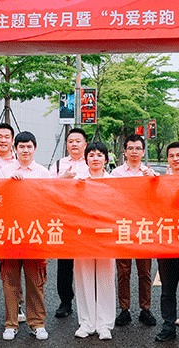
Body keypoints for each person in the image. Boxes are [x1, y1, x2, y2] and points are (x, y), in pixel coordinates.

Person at [0, 131, 50, 341]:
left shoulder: (43, 172)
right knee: (10, 282)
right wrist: (9, 183)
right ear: (15, 148)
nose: (25, 150)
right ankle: (11, 324)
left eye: (29, 146)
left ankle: (37, 323)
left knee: (35, 282)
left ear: (35, 148)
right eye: (21, 147)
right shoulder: (5, 171)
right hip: (10, 234)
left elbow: (50, 201)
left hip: (35, 234)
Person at [111, 134, 159, 327]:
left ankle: (145, 309)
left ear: (143, 151)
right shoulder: (116, 174)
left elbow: (158, 199)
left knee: (144, 271)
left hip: (143, 226)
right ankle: (124, 309)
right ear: (125, 151)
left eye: (138, 148)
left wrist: (153, 181)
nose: (134, 152)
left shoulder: (149, 173)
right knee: (123, 271)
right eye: (130, 148)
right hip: (123, 225)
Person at [71, 142, 116, 340]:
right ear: (86, 158)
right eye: (91, 155)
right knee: (84, 277)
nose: (95, 158)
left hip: (106, 234)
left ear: (106, 159)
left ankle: (104, 324)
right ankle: (86, 322)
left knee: (106, 278)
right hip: (83, 234)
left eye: (99, 155)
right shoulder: (77, 180)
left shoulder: (114, 181)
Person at [50, 128, 89, 319]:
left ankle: (88, 302)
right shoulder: (59, 165)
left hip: (87, 218)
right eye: (71, 141)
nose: (74, 144)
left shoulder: (92, 161)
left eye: (78, 141)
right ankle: (65, 301)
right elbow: (47, 188)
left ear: (85, 144)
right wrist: (62, 179)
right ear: (66, 145)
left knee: (87, 262)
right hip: (64, 218)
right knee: (64, 263)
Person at [155, 141, 179, 342]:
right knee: (167, 290)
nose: (175, 159)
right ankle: (168, 327)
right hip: (166, 243)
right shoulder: (160, 182)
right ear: (167, 159)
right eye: (171, 156)